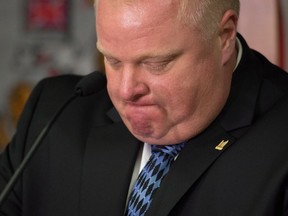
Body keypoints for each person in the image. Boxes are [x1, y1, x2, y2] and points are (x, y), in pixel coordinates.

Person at [1, 0, 288, 215]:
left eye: (156, 64)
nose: (125, 91)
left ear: (224, 36)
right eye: (111, 60)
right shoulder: (52, 116)